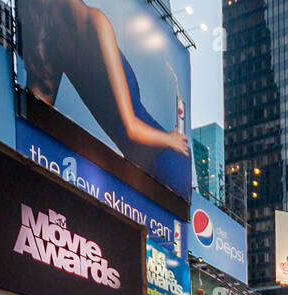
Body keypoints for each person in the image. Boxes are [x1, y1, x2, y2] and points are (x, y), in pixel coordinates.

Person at [19, 0, 191, 172]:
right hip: (163, 154)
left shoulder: (52, 40)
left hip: (146, 161)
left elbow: (35, 110)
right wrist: (170, 139)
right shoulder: (94, 21)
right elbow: (131, 127)